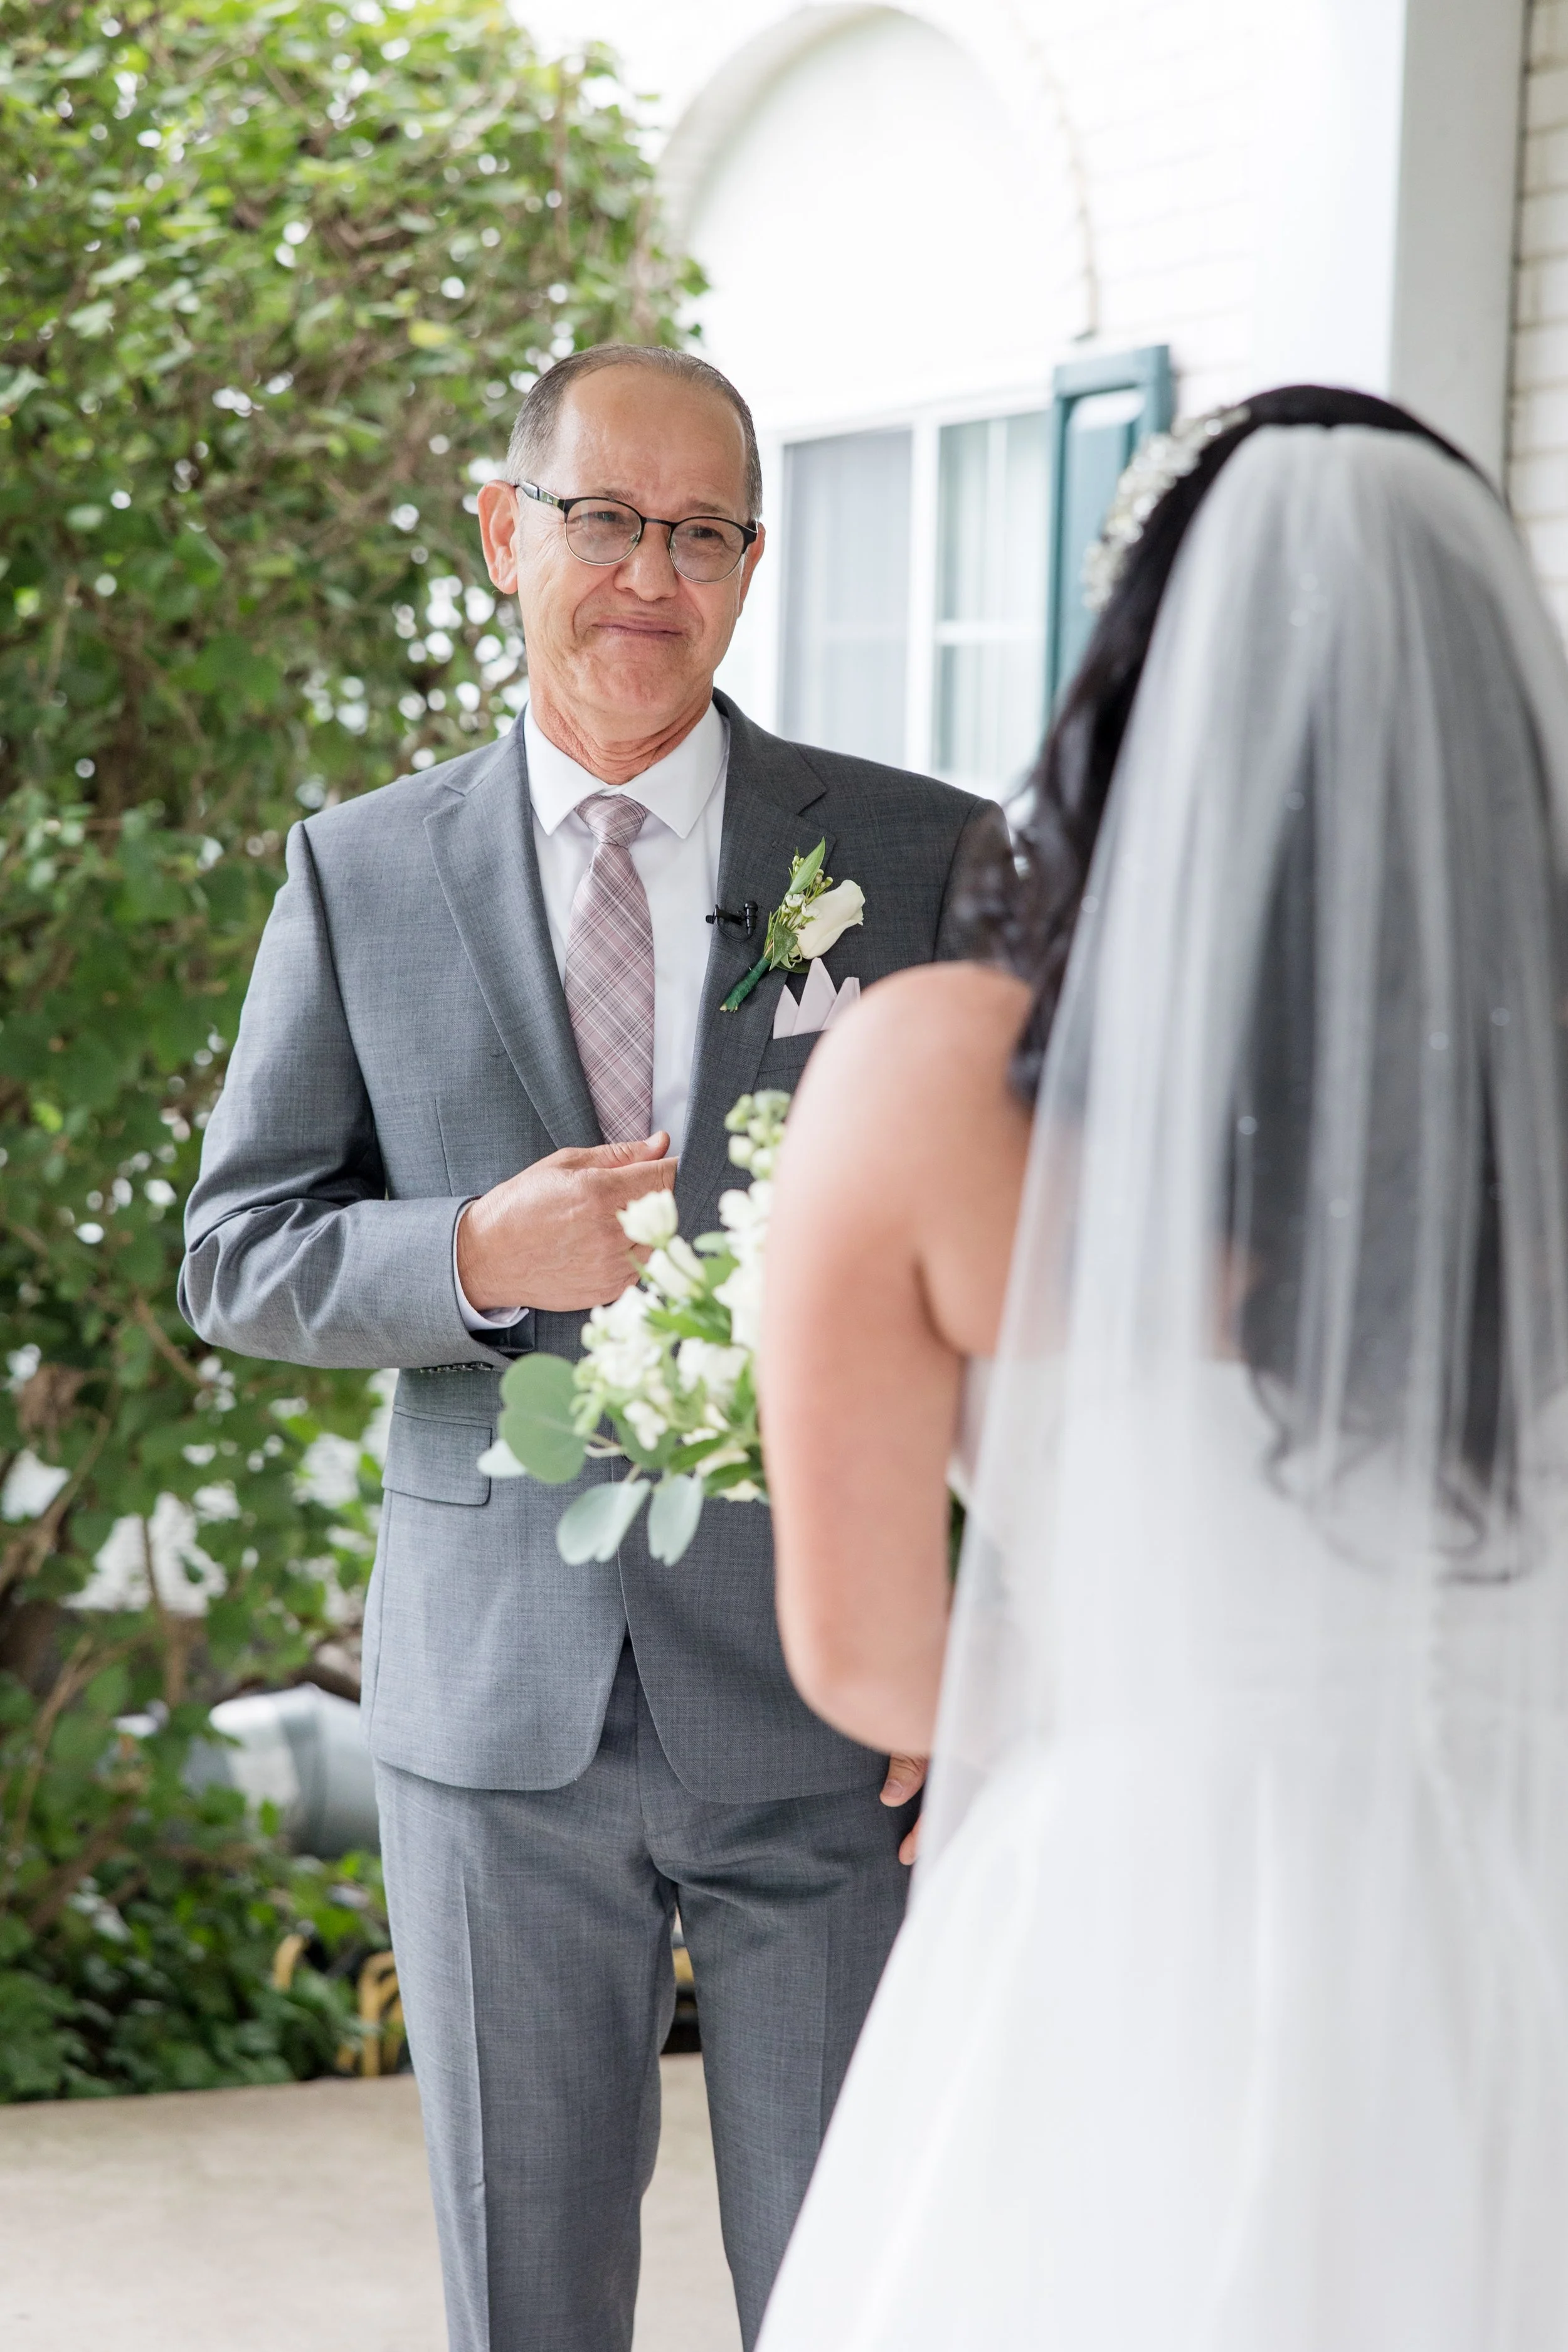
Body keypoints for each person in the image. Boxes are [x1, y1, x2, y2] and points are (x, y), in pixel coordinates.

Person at [179, 342, 1007, 2352]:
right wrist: (472, 1247)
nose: (652, 573)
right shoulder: (358, 871)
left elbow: (1030, 1288)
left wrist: (988, 1630)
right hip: (492, 1717)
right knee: (524, 2302)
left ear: (748, 564)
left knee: (855, 2293)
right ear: (502, 533)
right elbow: (236, 1250)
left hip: (832, 1705)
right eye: (606, 520)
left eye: (704, 532)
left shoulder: (917, 857)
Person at [755, 390, 1568, 2348]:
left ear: (1133, 692)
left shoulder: (931, 1071)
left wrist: (1113, 1688)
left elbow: (865, 1656)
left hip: (1130, 1904)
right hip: (1516, 1893)